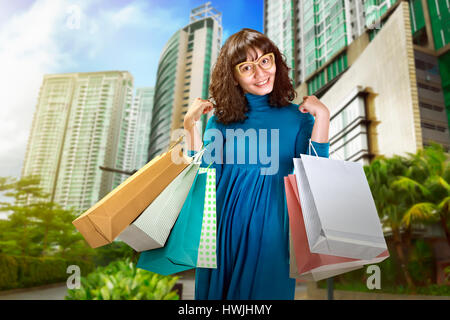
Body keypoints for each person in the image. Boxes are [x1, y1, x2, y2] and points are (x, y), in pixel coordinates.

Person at [183, 28, 330, 300]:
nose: (261, 74)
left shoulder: (298, 119)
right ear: (234, 77)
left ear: (276, 62)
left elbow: (316, 180)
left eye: (266, 61)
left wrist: (323, 118)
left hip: (272, 240)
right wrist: (190, 125)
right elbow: (201, 179)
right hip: (220, 237)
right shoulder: (221, 121)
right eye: (247, 67)